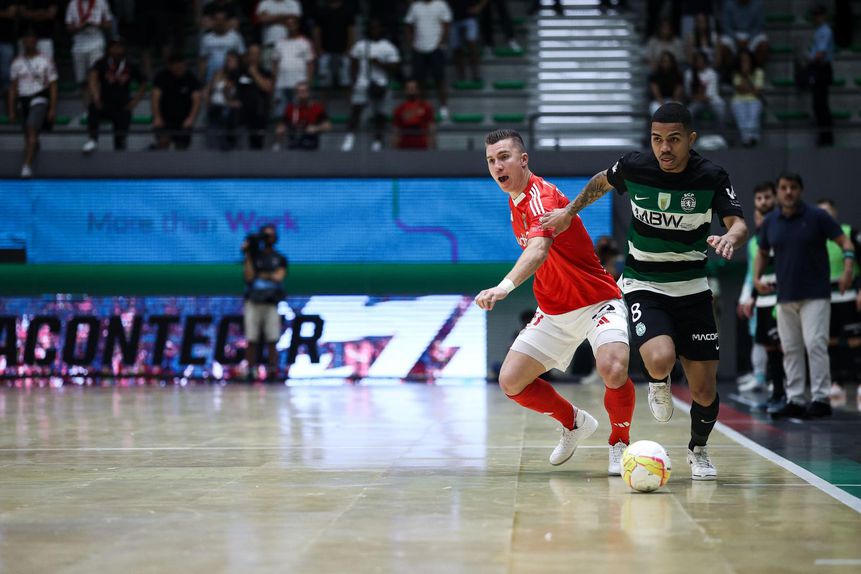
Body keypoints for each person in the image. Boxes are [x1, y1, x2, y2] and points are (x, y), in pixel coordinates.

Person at [539, 102, 748, 480]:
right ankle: (657, 381)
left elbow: (738, 223)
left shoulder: (711, 176)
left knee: (704, 389)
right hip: (643, 284)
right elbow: (602, 180)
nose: (664, 148)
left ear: (691, 139)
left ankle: (698, 450)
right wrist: (570, 211)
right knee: (660, 357)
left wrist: (731, 237)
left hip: (693, 288)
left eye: (673, 140)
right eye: (657, 140)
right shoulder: (635, 167)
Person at [476, 128, 637, 475]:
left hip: (596, 302)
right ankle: (574, 422)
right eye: (491, 160)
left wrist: (504, 286)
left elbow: (538, 250)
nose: (497, 166)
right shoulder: (515, 199)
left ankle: (620, 443)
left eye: (504, 157)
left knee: (613, 368)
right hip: (552, 309)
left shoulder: (541, 198)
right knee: (511, 381)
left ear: (523, 159)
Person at [755, 173, 855, 419]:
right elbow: (762, 252)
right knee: (790, 348)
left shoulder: (817, 216)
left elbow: (846, 244)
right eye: (784, 188)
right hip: (785, 295)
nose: (788, 192)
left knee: (815, 345)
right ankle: (796, 399)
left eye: (793, 188)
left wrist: (848, 270)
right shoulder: (771, 222)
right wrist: (757, 278)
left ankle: (821, 398)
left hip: (815, 294)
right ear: (778, 191)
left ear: (800, 190)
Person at [737, 182, 785, 413]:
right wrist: (750, 296)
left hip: (786, 296)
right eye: (759, 199)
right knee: (768, 344)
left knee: (790, 346)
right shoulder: (756, 242)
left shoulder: (785, 227)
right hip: (764, 298)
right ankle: (775, 390)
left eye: (767, 197)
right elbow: (753, 274)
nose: (763, 202)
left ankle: (798, 393)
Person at [815, 198, 861, 404]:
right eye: (820, 212)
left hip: (849, 295)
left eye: (827, 211)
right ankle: (836, 382)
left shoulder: (848, 233)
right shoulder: (815, 237)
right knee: (829, 342)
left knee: (855, 340)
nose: (825, 215)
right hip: (825, 297)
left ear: (835, 212)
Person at [341, 18, 400, 152]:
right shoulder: (360, 45)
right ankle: (349, 138)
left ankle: (377, 142)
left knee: (380, 114)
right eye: (372, 28)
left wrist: (379, 63)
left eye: (377, 27)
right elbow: (353, 64)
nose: (375, 30)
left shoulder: (388, 46)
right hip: (362, 82)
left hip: (381, 83)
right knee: (356, 110)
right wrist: (353, 82)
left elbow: (396, 67)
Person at [8, 27, 57, 178]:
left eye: (32, 38)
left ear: (36, 41)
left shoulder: (45, 61)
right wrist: (11, 109)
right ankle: (35, 155)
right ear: (22, 42)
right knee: (29, 134)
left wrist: (52, 109)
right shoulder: (17, 63)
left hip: (39, 98)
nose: (29, 41)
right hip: (23, 100)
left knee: (30, 128)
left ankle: (26, 167)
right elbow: (13, 88)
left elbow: (53, 86)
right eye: (26, 38)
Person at [83, 37, 146, 152]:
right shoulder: (102, 63)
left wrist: (135, 101)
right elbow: (93, 75)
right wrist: (95, 95)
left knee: (121, 133)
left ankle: (120, 145)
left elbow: (143, 82)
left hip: (122, 105)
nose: (117, 50)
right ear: (109, 49)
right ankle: (93, 140)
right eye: (114, 47)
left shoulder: (130, 64)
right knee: (93, 109)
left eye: (120, 47)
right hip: (104, 103)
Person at [242, 224, 287, 381]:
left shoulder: (279, 258)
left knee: (272, 338)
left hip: (271, 302)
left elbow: (278, 277)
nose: (268, 239)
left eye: (271, 235)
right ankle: (250, 371)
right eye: (265, 236)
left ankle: (272, 370)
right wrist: (248, 252)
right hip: (253, 302)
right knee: (251, 338)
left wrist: (261, 275)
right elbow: (249, 277)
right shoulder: (254, 257)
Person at [65, 0, 112, 121]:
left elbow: (108, 24)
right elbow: (69, 27)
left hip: (96, 43)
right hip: (78, 46)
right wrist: (79, 27)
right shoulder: (73, 4)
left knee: (97, 78)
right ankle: (88, 110)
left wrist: (96, 24)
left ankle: (99, 109)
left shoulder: (101, 2)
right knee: (82, 81)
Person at [404, 0, 452, 121]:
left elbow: (446, 25)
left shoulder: (441, 4)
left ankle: (443, 107)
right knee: (419, 81)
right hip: (419, 48)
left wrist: (441, 43)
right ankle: (420, 107)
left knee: (439, 79)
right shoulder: (415, 6)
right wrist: (411, 42)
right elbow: (408, 25)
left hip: (436, 48)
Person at [151, 55, 203, 150]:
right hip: (165, 118)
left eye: (182, 66)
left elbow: (197, 99)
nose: (180, 69)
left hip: (184, 120)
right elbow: (155, 97)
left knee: (182, 146)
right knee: (163, 142)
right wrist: (157, 117)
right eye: (177, 67)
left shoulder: (190, 78)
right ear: (170, 66)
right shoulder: (161, 76)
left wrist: (191, 118)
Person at [271, 14, 314, 115]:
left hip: (299, 84)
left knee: (298, 112)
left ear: (297, 25)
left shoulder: (305, 43)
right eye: (288, 24)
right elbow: (274, 64)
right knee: (281, 113)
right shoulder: (279, 43)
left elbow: (310, 65)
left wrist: (308, 83)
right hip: (282, 84)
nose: (291, 26)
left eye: (293, 24)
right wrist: (274, 82)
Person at [236, 43, 273, 150]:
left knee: (258, 147)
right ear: (247, 56)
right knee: (242, 148)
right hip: (243, 116)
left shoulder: (265, 72)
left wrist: (255, 73)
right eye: (252, 54)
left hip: (259, 115)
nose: (254, 56)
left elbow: (267, 88)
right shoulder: (240, 73)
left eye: (257, 54)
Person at [273, 80, 330, 150]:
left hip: (311, 146)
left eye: (304, 91)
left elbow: (327, 126)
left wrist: (316, 128)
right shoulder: (290, 108)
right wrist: (281, 130)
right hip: (293, 145)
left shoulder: (317, 108)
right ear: (296, 94)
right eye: (299, 92)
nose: (302, 94)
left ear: (309, 92)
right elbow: (282, 124)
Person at [807, 5, 835, 147]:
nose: (816, 18)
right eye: (815, 15)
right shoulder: (818, 31)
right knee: (818, 104)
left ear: (823, 16)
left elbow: (820, 53)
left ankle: (827, 137)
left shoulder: (825, 31)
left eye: (818, 15)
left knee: (821, 103)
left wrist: (809, 61)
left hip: (822, 69)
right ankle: (823, 135)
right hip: (818, 68)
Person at [313, 0, 355, 91]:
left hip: (344, 52)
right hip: (325, 51)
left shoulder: (348, 10)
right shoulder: (321, 10)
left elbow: (351, 30)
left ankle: (347, 104)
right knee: (323, 84)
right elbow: (317, 30)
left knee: (346, 83)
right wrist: (318, 48)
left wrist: (349, 48)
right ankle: (322, 105)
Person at [205, 50, 241, 150]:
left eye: (231, 60)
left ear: (237, 61)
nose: (228, 62)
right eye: (227, 60)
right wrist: (208, 100)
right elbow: (208, 90)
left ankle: (228, 142)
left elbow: (232, 95)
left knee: (227, 113)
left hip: (229, 109)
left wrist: (228, 99)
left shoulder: (239, 75)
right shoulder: (218, 73)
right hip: (216, 107)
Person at [198, 9, 246, 84]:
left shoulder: (236, 37)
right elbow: (203, 60)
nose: (219, 23)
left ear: (227, 21)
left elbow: (242, 57)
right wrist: (201, 78)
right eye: (217, 20)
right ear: (213, 21)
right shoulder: (206, 39)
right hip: (211, 78)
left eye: (222, 20)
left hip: (231, 78)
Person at [719, 0, 768, 70]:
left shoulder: (758, 4)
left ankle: (758, 72)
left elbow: (759, 26)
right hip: (734, 33)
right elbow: (726, 26)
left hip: (752, 34)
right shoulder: (728, 3)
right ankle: (731, 73)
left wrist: (749, 38)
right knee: (723, 45)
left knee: (763, 44)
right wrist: (735, 39)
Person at [685, 50, 725, 136]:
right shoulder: (689, 74)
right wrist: (695, 97)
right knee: (689, 112)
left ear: (705, 61)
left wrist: (697, 97)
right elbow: (688, 94)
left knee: (720, 109)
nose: (699, 63)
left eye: (701, 61)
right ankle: (693, 137)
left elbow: (710, 95)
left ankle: (721, 136)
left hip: (712, 101)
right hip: (696, 102)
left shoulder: (712, 73)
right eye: (697, 61)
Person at [730, 50, 764, 147]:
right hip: (738, 100)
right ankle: (751, 138)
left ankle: (746, 139)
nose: (745, 63)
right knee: (741, 117)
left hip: (755, 99)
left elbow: (757, 91)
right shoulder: (736, 73)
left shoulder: (758, 72)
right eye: (743, 61)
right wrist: (744, 75)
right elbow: (739, 88)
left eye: (747, 61)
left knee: (753, 116)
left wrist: (747, 86)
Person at [255, 0, 301, 70]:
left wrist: (271, 17)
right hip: (269, 44)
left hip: (290, 45)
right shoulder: (264, 3)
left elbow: (294, 19)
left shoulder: (293, 3)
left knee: (289, 69)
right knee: (268, 71)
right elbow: (262, 19)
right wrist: (285, 17)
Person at [391, 79, 436, 150]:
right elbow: (396, 130)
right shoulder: (399, 109)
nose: (411, 90)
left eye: (413, 88)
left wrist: (432, 145)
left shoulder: (426, 107)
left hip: (422, 145)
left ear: (418, 90)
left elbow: (431, 128)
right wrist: (394, 147)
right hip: (404, 146)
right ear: (405, 91)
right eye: (409, 88)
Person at [449, 0, 484, 82]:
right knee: (457, 49)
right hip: (453, 20)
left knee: (472, 44)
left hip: (469, 18)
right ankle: (461, 76)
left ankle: (476, 73)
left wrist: (479, 7)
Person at [648, 51, 684, 116]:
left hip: (673, 100)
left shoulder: (678, 75)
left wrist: (672, 103)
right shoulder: (655, 75)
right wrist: (662, 103)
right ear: (660, 62)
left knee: (678, 109)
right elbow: (655, 92)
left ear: (672, 63)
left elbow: (678, 91)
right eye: (664, 61)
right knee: (655, 108)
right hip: (659, 101)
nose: (666, 64)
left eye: (668, 61)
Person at [0, 2, 21, 102]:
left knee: (7, 76)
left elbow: (11, 13)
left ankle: (11, 110)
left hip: (6, 41)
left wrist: (7, 14)